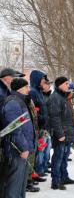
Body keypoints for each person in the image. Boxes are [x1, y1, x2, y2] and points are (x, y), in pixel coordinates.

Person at [1, 78, 35, 198]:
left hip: (21, 149)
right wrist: (23, 148)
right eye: (26, 87)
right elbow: (15, 128)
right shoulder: (13, 103)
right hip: (16, 150)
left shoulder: (20, 101)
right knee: (14, 184)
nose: (28, 89)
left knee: (21, 183)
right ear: (20, 88)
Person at [47, 77, 74, 190]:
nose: (68, 85)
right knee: (58, 157)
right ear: (59, 85)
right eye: (66, 83)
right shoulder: (55, 98)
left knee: (64, 157)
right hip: (61, 134)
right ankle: (56, 181)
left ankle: (64, 177)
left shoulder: (62, 97)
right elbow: (54, 118)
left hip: (67, 132)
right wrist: (60, 134)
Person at [0, 68, 25, 197]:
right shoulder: (1, 92)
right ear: (6, 77)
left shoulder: (6, 91)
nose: (15, 80)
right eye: (13, 77)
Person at [29, 70, 49, 179]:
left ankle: (35, 172)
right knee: (36, 151)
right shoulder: (33, 92)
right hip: (37, 126)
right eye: (42, 79)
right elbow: (34, 110)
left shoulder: (39, 92)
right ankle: (33, 174)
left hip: (42, 126)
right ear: (37, 79)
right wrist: (41, 119)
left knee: (39, 150)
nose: (44, 81)